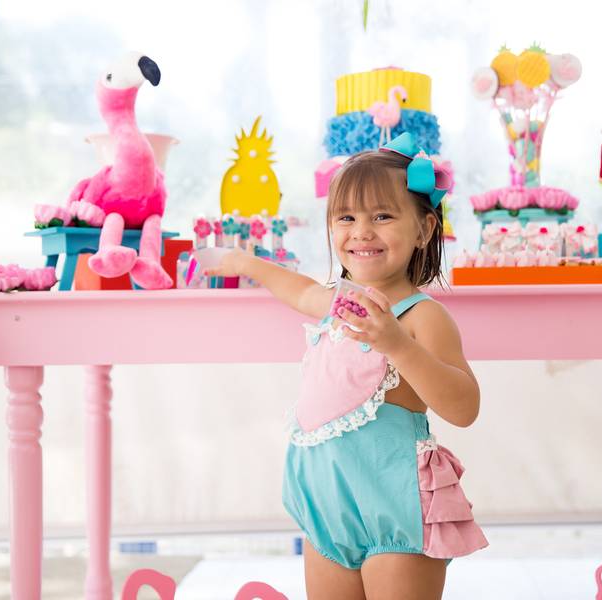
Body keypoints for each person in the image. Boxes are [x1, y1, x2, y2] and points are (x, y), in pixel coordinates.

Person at [207, 133, 487, 599]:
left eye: (382, 216)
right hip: (326, 513)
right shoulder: (336, 302)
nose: (362, 231)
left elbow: (465, 407)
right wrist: (241, 261)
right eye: (346, 218)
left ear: (423, 230)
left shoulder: (422, 317)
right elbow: (297, 289)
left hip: (393, 512)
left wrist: (399, 346)